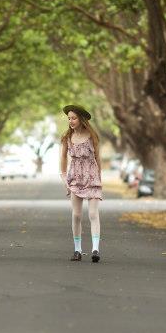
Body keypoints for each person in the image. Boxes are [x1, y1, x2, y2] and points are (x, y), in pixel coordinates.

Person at [60, 104, 103, 263]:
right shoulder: (67, 137)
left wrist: (100, 178)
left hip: (92, 178)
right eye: (69, 118)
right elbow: (63, 160)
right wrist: (65, 180)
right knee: (76, 215)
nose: (71, 121)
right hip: (75, 179)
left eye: (74, 118)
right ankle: (77, 250)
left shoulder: (92, 135)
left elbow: (98, 158)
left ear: (81, 119)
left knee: (93, 214)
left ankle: (95, 249)